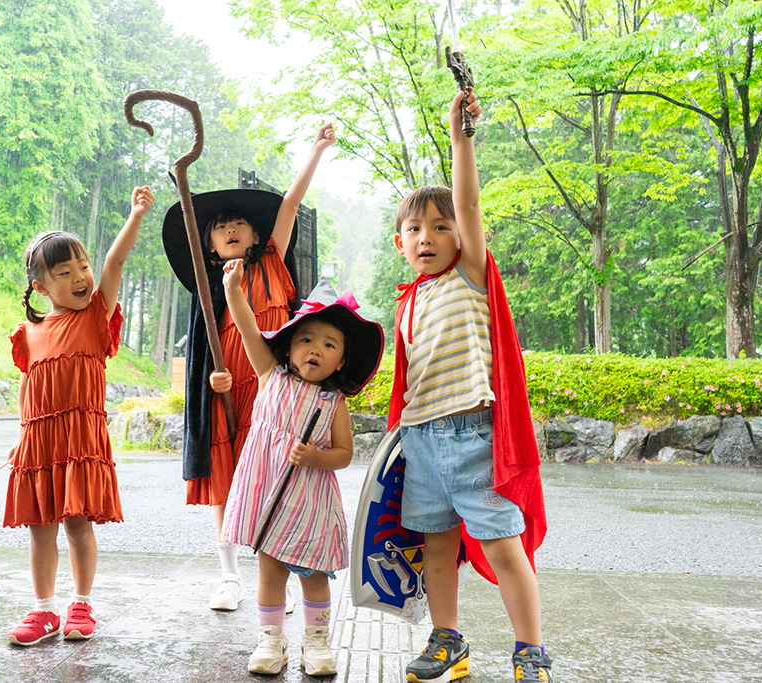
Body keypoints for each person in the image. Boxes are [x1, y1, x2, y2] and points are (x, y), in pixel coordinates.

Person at [387, 89, 552, 683]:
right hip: (424, 439)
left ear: (460, 236)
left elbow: (470, 204)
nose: (427, 236)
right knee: (436, 544)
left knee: (506, 544)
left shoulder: (471, 276)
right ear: (400, 243)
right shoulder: (409, 302)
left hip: (474, 434)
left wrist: (461, 141)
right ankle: (447, 640)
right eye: (414, 229)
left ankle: (529, 650)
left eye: (440, 225)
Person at [161, 124, 337, 611]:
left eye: (238, 223)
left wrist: (316, 152)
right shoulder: (210, 284)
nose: (230, 229)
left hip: (276, 390)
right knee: (227, 477)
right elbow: (205, 348)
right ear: (210, 245)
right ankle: (228, 573)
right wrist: (210, 380)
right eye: (220, 227)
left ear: (257, 235)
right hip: (230, 387)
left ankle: (280, 563)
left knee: (278, 471)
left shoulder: (274, 263)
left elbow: (289, 204)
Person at [3, 185, 155, 646]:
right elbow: (30, 389)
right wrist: (22, 437)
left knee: (76, 524)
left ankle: (81, 603)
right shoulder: (29, 333)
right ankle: (44, 609)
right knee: (39, 528)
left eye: (82, 267)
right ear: (41, 286)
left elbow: (115, 264)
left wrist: (134, 216)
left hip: (80, 439)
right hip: (40, 443)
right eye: (65, 272)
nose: (81, 277)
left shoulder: (94, 316)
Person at [218, 263, 384, 676]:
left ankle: (317, 640)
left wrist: (315, 457)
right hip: (268, 492)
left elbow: (344, 453)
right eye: (306, 339)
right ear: (289, 346)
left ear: (342, 362)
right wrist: (232, 288)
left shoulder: (334, 404)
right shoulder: (269, 374)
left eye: (329, 345)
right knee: (270, 569)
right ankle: (271, 638)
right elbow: (245, 326)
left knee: (313, 575)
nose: (315, 348)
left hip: (310, 502)